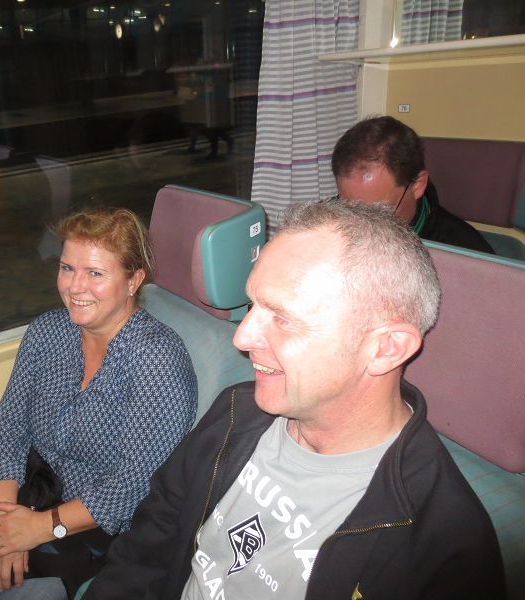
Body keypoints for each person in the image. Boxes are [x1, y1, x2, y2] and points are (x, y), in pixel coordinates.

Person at [85, 200, 505, 599]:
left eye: (283, 318)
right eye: (253, 305)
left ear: (386, 348)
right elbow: (146, 549)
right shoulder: (236, 412)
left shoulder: (445, 543)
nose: (242, 337)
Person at [0, 207, 197, 600]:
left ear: (134, 280)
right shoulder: (48, 331)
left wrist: (39, 528)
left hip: (92, 526)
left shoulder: (157, 360)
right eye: (67, 268)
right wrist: (5, 522)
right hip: (28, 489)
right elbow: (9, 423)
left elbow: (132, 484)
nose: (74, 286)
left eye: (95, 273)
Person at [331, 115, 495, 254]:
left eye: (379, 212)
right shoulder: (326, 222)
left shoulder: (465, 254)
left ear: (418, 185)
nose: (361, 225)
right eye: (349, 208)